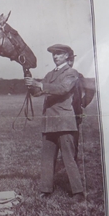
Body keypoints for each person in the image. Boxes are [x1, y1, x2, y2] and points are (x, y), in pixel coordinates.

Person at [25, 44, 85, 202]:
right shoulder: (50, 74)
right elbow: (38, 92)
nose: (55, 57)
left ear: (67, 56)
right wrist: (31, 86)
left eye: (59, 54)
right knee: (47, 158)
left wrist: (40, 85)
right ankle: (46, 189)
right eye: (54, 54)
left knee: (68, 158)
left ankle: (78, 192)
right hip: (49, 123)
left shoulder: (72, 73)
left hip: (64, 122)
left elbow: (63, 89)